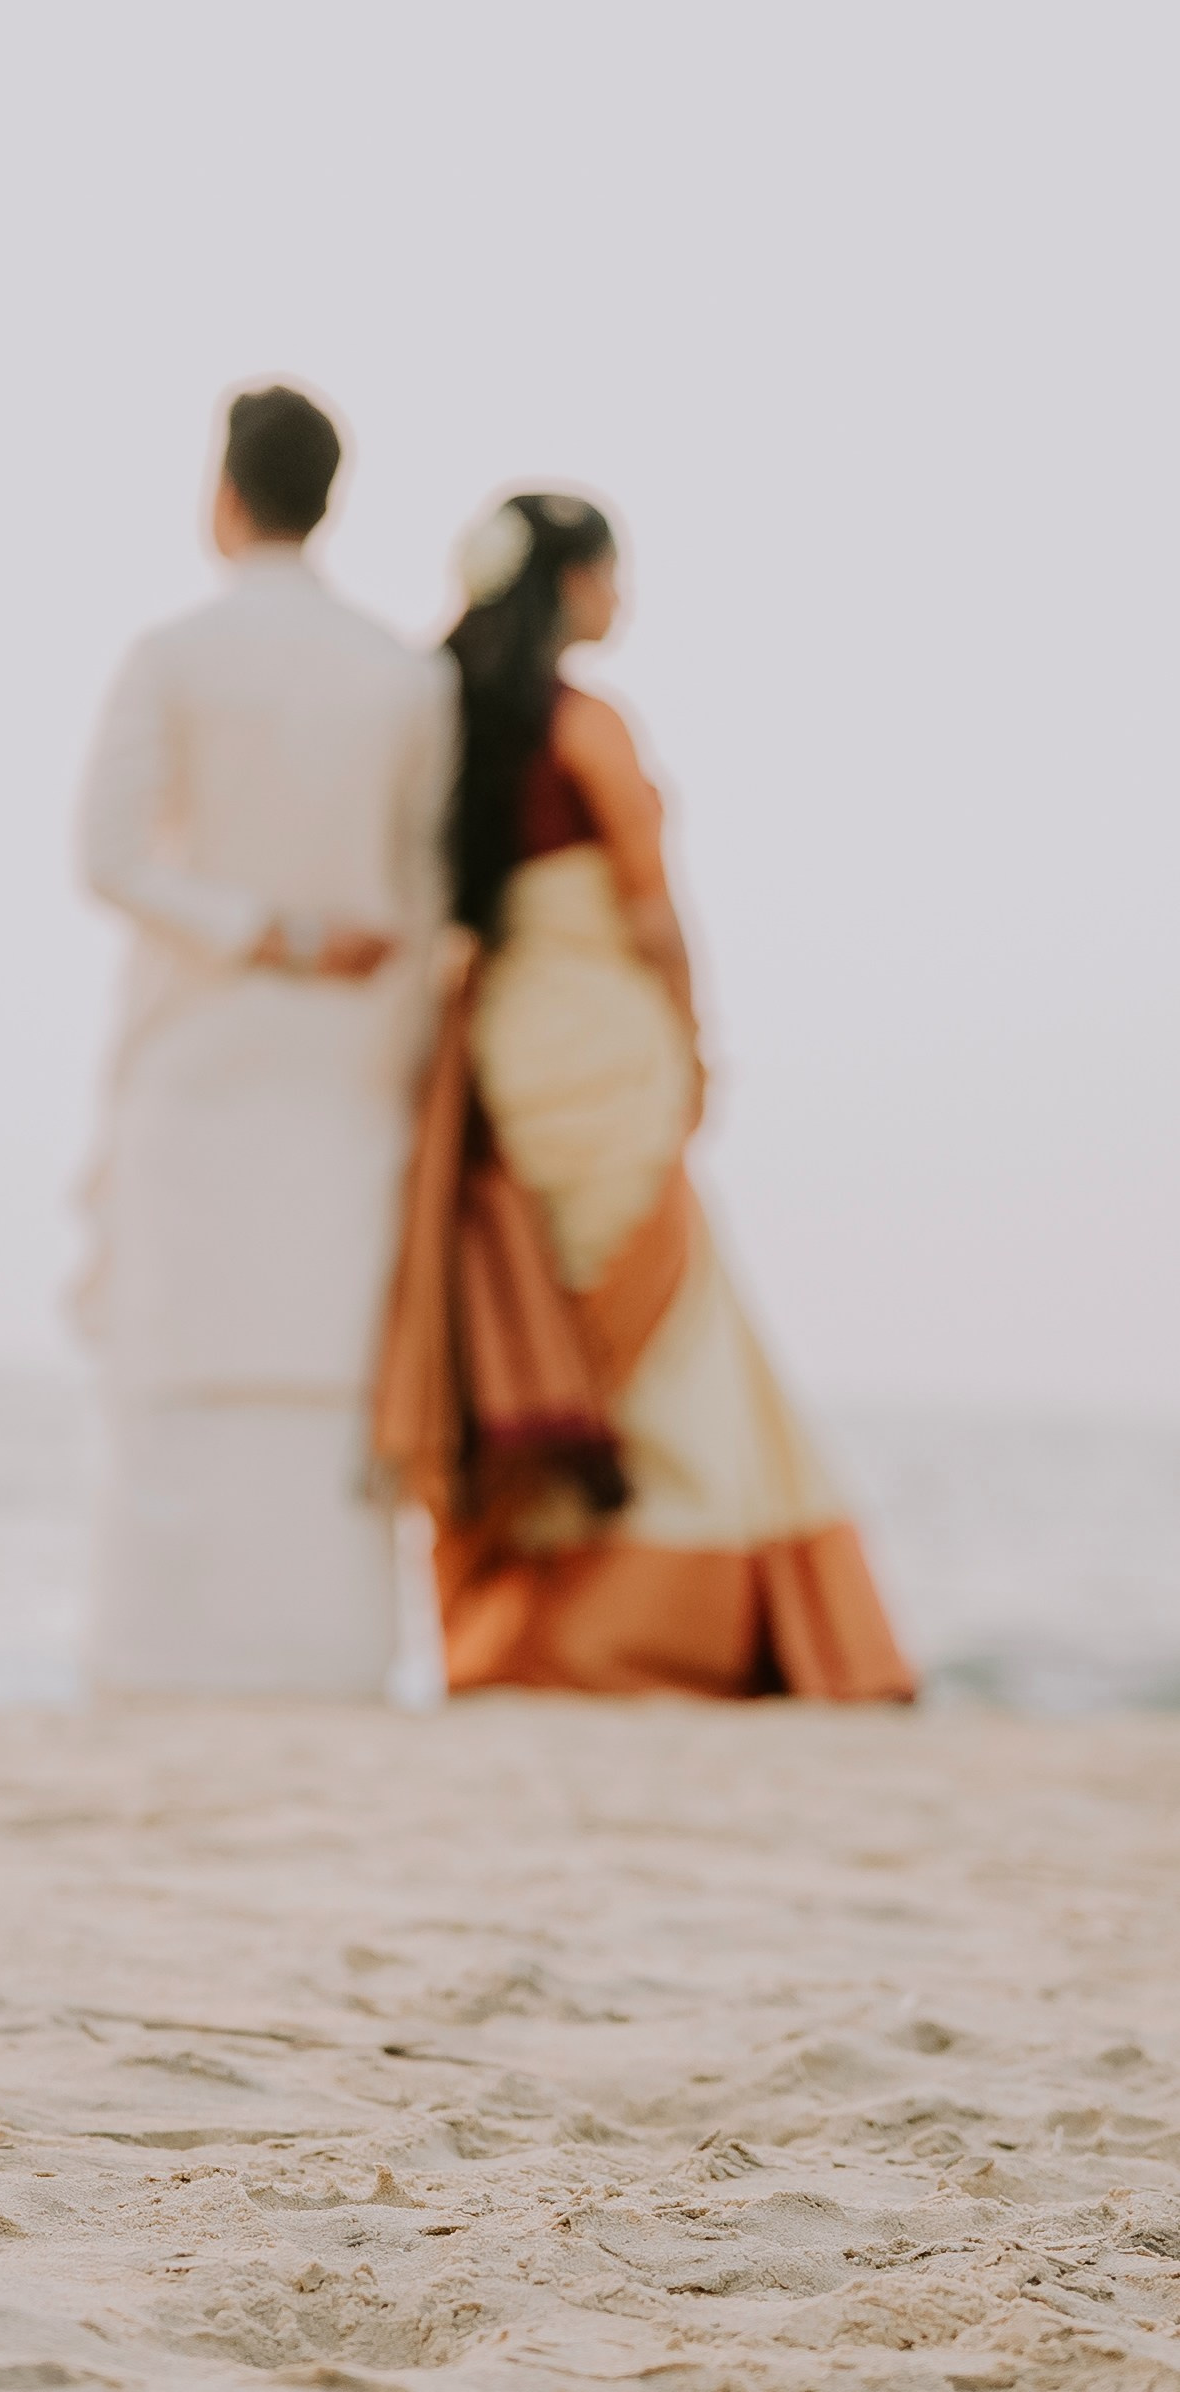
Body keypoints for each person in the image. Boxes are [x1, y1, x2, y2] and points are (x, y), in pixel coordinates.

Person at [373, 487, 913, 1700]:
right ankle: (659, 1626)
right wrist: (693, 1038)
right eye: (612, 573)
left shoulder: (445, 723)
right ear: (567, 583)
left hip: (505, 1049)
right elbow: (650, 911)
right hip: (600, 1038)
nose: (622, 598)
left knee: (545, 1316)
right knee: (662, 1335)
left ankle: (529, 1623)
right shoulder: (586, 724)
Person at [76, 385, 455, 1697]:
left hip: (197, 1049)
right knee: (321, 1367)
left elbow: (105, 855)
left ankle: (152, 1661)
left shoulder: (173, 651)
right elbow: (425, 899)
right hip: (350, 1066)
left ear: (222, 492)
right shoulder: (406, 676)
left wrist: (260, 931)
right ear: (329, 498)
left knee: (177, 1355)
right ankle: (332, 1661)